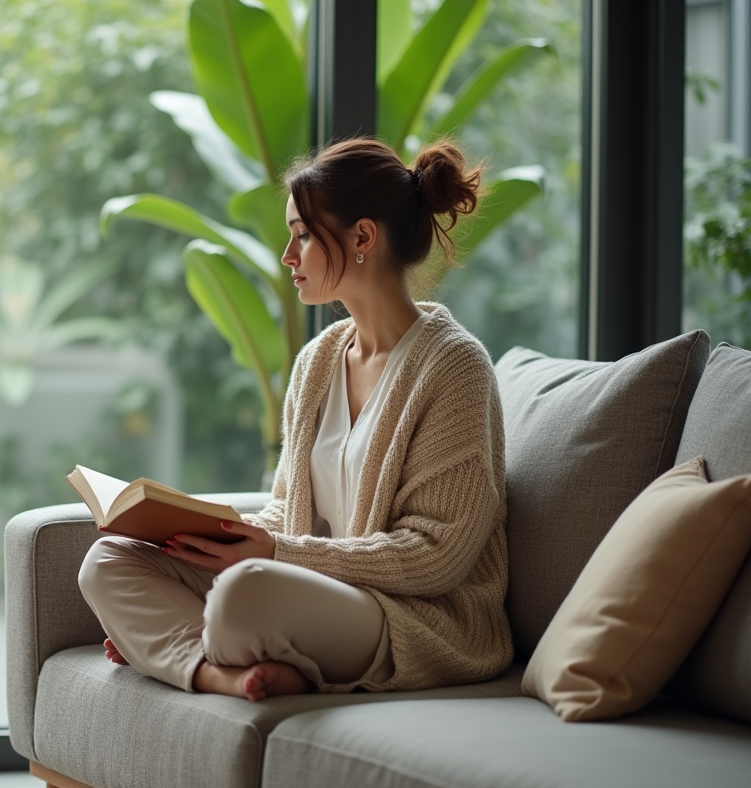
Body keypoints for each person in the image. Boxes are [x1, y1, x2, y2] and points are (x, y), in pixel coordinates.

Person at [78, 136, 514, 702]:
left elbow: (436, 557)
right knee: (108, 561)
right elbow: (289, 509)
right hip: (306, 588)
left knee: (244, 593)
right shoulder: (319, 360)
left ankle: (177, 652)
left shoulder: (454, 367)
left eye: (303, 235)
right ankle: (222, 670)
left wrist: (277, 554)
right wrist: (225, 536)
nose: (288, 255)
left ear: (363, 237)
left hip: (405, 615)